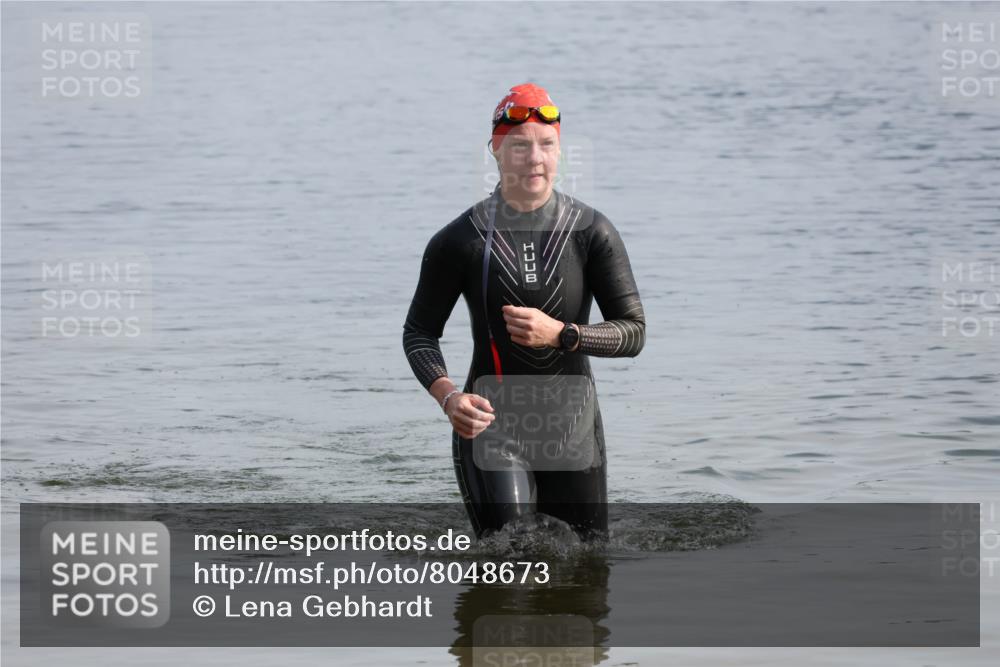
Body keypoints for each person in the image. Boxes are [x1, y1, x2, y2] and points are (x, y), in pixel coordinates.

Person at [402, 83, 645, 540]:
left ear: (559, 151)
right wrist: (449, 397)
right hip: (491, 427)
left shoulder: (593, 232)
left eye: (546, 145)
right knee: (510, 571)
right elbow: (419, 333)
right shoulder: (461, 240)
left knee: (584, 583)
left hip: (573, 429)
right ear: (495, 148)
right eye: (519, 146)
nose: (535, 158)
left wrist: (564, 334)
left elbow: (633, 332)